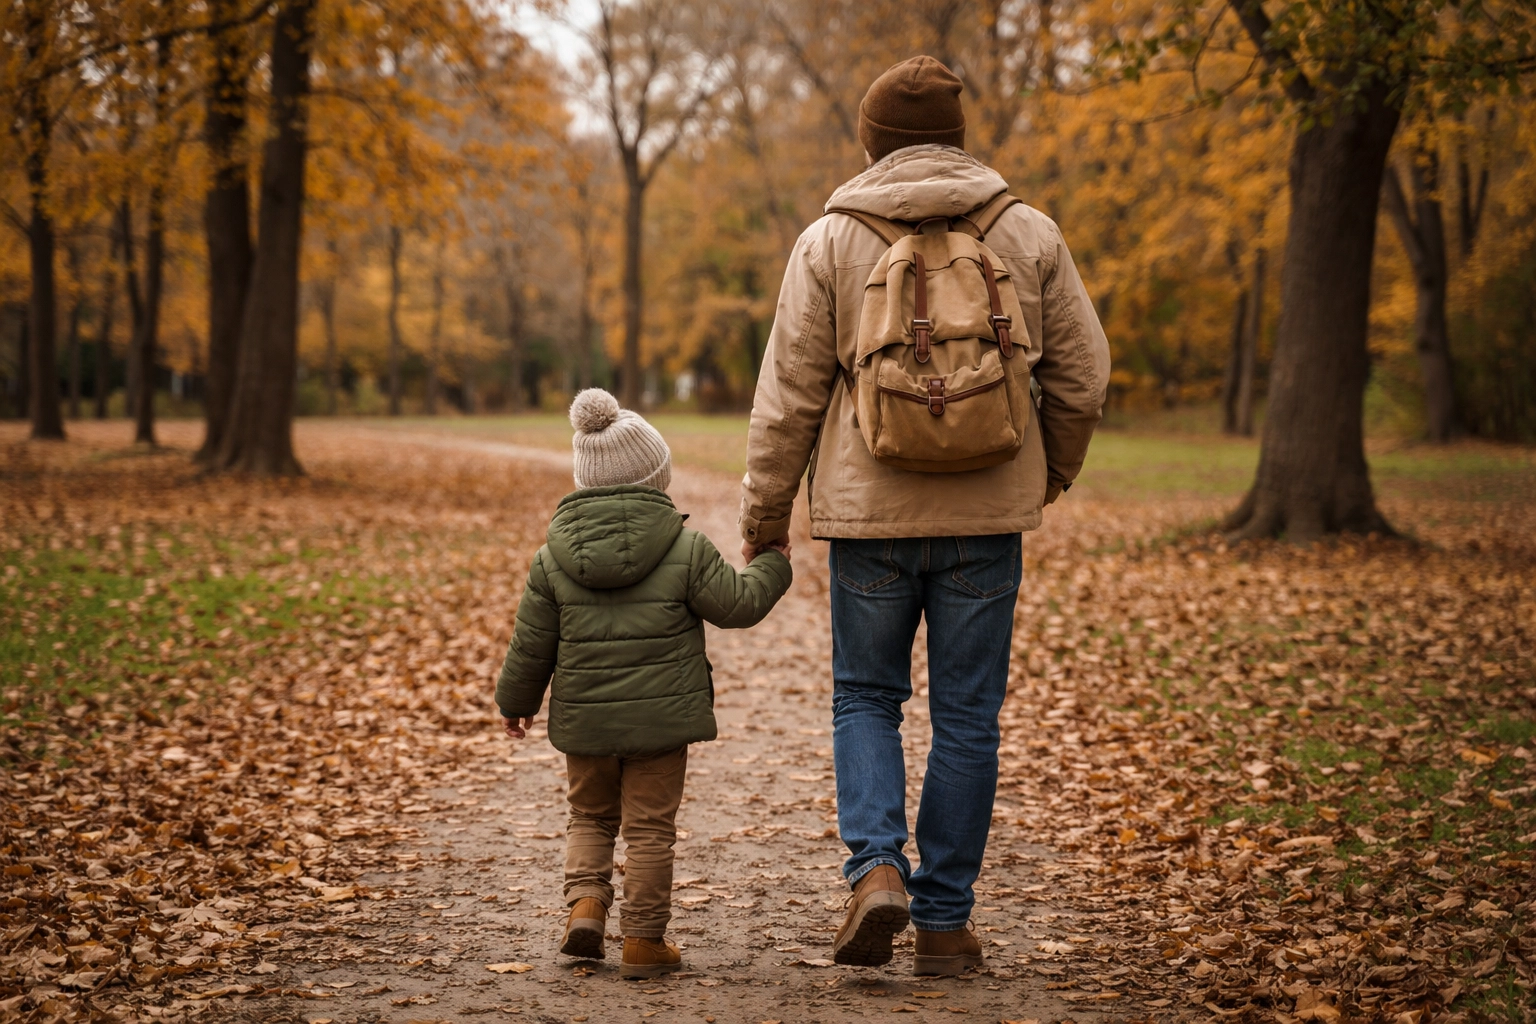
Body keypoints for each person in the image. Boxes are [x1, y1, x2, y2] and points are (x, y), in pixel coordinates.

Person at [738, 55, 1110, 975]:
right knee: (968, 716)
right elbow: (1084, 375)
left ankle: (874, 872)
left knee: (866, 696)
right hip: (986, 517)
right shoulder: (1025, 231)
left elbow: (786, 394)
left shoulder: (829, 240)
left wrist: (764, 516)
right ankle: (944, 925)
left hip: (870, 520)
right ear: (956, 137)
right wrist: (1045, 475)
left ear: (870, 142)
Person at [496, 388, 792, 979]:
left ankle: (585, 906)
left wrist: (515, 703)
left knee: (590, 817)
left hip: (585, 725)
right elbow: (738, 605)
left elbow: (532, 644)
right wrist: (774, 560)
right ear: (657, 479)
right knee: (650, 829)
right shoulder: (683, 547)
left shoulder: (551, 558)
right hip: (660, 724)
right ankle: (643, 942)